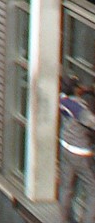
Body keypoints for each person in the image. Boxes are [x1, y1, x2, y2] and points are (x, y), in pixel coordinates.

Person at [60, 77, 95, 223]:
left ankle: (65, 220)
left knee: (66, 188)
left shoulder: (63, 101)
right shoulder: (79, 109)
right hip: (81, 153)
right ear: (75, 90)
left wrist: (86, 89)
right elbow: (92, 123)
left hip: (66, 148)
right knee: (92, 189)